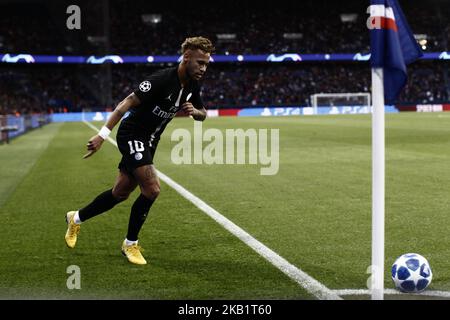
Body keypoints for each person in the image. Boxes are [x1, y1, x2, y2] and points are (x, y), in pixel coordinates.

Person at [65, 36, 214, 265]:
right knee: (152, 189)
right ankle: (130, 244)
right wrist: (103, 135)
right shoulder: (162, 80)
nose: (203, 68)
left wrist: (195, 112)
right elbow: (125, 103)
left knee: (120, 193)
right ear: (186, 58)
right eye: (200, 63)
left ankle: (75, 218)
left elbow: (203, 114)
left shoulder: (193, 85)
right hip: (133, 134)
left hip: (150, 140)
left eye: (206, 64)